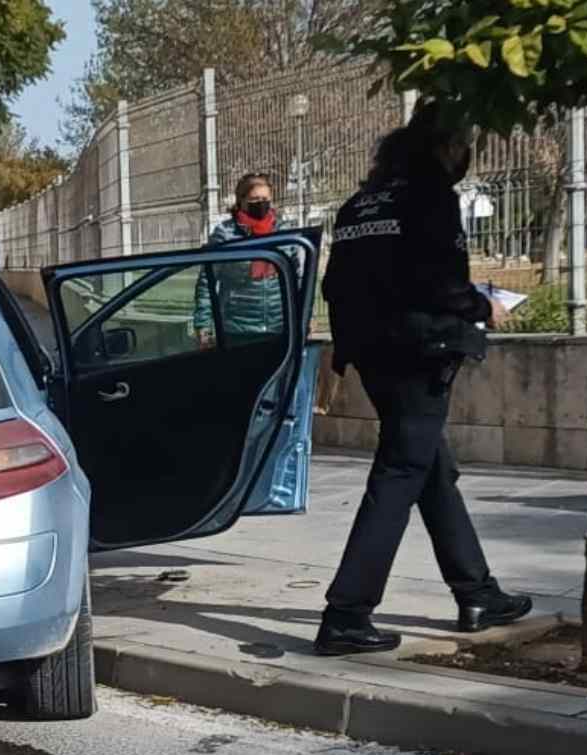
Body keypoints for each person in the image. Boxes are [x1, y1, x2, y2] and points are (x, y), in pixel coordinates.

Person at [314, 101, 531, 656]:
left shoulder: (360, 204)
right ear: (444, 147)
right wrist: (481, 305)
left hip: (373, 354)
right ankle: (346, 614)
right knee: (400, 473)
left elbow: (336, 286)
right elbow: (439, 283)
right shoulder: (431, 197)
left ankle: (477, 593)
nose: (463, 157)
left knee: (431, 468)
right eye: (462, 147)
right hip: (420, 352)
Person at [193, 173, 292, 348]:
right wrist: (203, 325)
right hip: (237, 329)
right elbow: (206, 281)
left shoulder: (283, 231)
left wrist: (308, 316)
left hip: (279, 326)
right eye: (254, 199)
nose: (261, 204)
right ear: (241, 200)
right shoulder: (225, 235)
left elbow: (298, 276)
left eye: (265, 198)